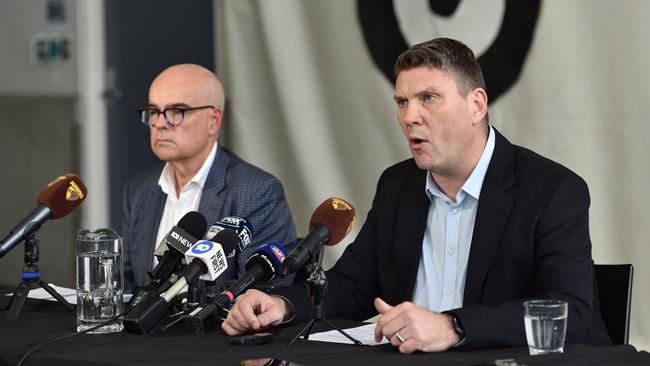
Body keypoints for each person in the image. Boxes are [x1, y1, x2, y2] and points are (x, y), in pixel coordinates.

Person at [221, 38, 613, 353]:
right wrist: (282, 305)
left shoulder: (552, 190)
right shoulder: (398, 186)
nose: (410, 117)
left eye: (428, 98)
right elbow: (353, 285)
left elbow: (571, 313)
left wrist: (451, 326)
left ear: (476, 105)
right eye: (402, 102)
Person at [122, 64, 296, 293]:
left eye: (176, 111)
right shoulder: (138, 189)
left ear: (213, 120)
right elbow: (125, 284)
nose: (159, 123)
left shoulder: (257, 192)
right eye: (154, 111)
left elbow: (264, 292)